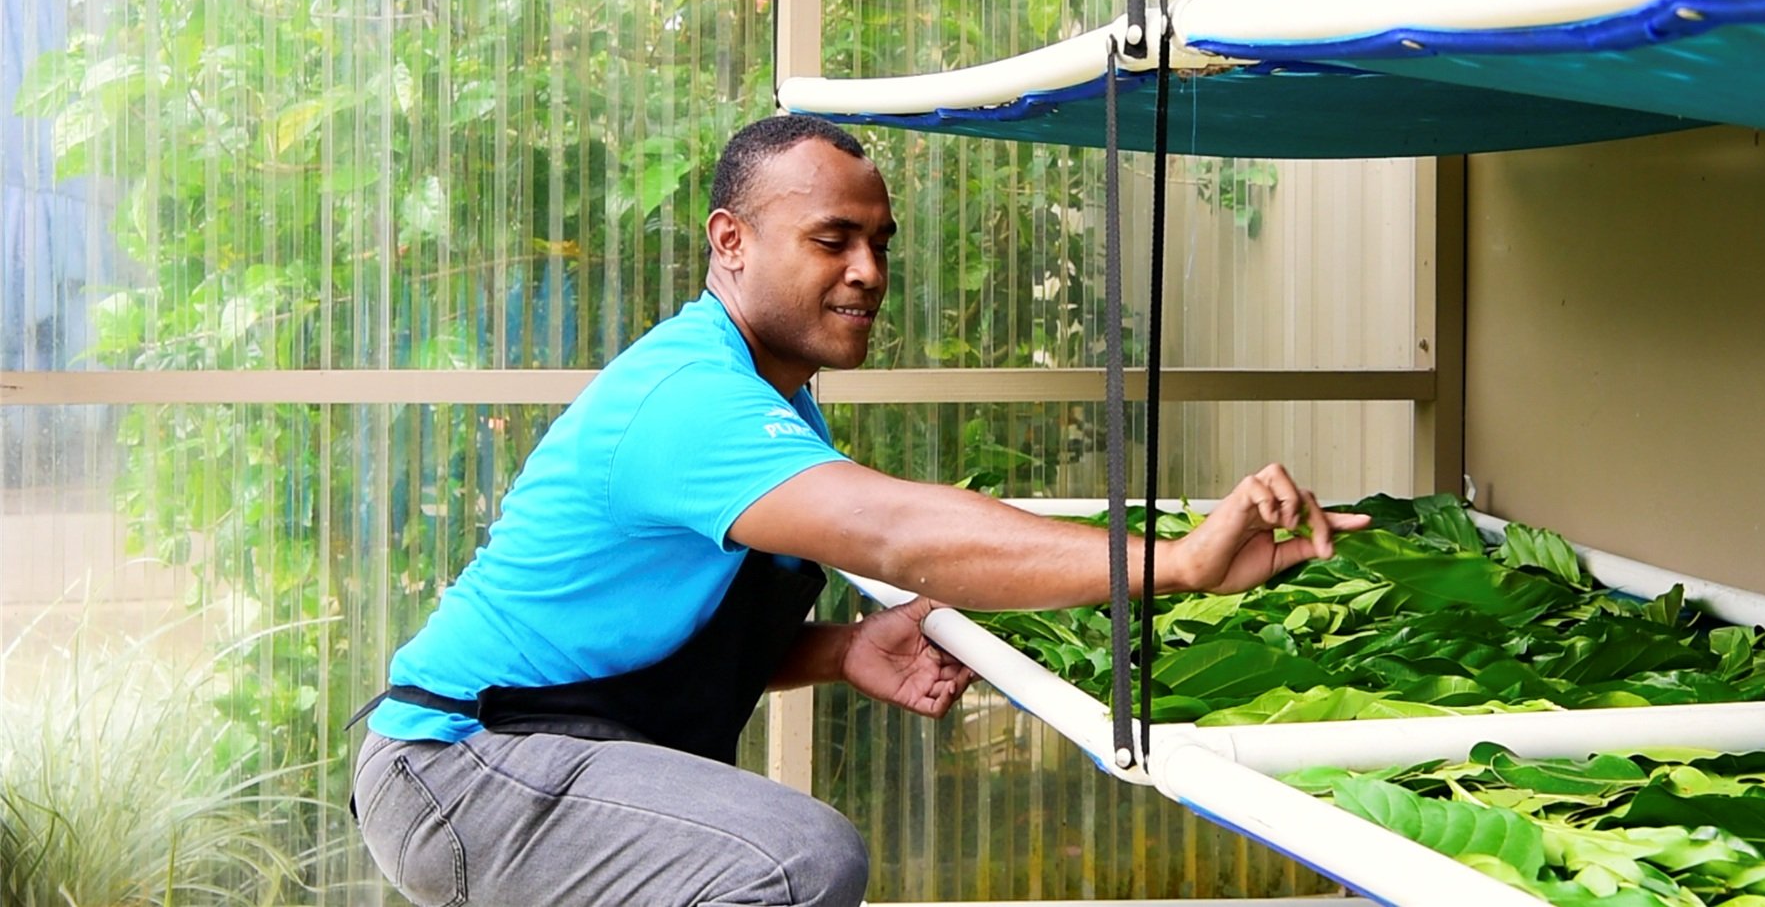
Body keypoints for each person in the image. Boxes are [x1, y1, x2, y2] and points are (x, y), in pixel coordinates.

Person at [350, 114, 1369, 907]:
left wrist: (838, 651)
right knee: (795, 860)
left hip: (534, 751)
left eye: (878, 242)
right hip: (464, 770)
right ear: (730, 240)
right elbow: (897, 533)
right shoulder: (690, 399)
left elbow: (648, 641)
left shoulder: (771, 395)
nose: (869, 272)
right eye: (832, 239)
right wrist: (1179, 563)